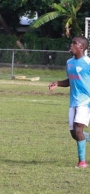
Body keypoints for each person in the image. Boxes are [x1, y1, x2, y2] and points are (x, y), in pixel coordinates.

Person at [48, 36, 90, 168]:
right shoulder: (69, 62)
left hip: (86, 101)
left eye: (74, 43)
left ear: (81, 47)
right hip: (73, 101)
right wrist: (58, 83)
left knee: (78, 128)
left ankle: (82, 162)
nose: (71, 45)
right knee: (74, 133)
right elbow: (70, 81)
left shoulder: (88, 62)